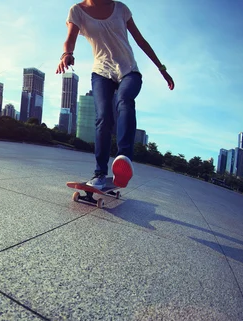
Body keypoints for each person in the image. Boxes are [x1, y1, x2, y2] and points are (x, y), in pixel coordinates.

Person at [56, 0, 174, 189]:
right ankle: (100, 174)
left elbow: (141, 40)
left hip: (129, 71)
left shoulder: (120, 8)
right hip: (101, 72)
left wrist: (162, 68)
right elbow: (70, 38)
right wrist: (66, 54)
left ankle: (123, 160)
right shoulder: (77, 11)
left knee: (124, 100)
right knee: (103, 118)